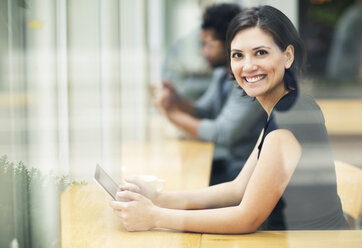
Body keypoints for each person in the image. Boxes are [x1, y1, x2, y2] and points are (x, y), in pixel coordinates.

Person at [111, 5, 349, 233]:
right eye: (238, 55)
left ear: (287, 56)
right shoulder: (286, 107)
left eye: (261, 53)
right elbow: (237, 189)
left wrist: (154, 217)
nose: (248, 66)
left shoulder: (289, 121)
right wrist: (159, 199)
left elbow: (246, 218)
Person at [155, 3, 267, 185]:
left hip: (246, 174)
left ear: (231, 43)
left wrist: (172, 114)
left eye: (209, 45)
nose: (203, 51)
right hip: (229, 165)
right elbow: (204, 111)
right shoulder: (222, 73)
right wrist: (176, 99)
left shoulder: (252, 82)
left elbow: (223, 133)